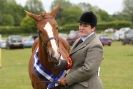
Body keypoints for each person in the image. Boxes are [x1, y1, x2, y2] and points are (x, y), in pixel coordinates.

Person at [58, 11, 104, 89]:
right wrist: (57, 63)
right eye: (80, 25)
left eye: (85, 26)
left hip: (87, 86)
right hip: (76, 84)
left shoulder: (95, 45)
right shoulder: (78, 40)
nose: (81, 28)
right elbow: (72, 61)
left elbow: (88, 70)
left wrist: (67, 80)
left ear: (93, 28)